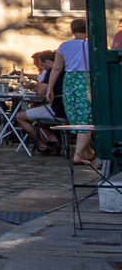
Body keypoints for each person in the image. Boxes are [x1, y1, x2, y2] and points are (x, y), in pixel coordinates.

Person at [43, 19, 94, 165]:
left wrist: (50, 88)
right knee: (86, 119)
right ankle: (78, 155)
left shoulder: (64, 46)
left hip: (69, 82)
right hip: (86, 80)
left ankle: (88, 152)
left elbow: (57, 68)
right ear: (87, 29)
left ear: (72, 30)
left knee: (77, 118)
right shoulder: (91, 45)